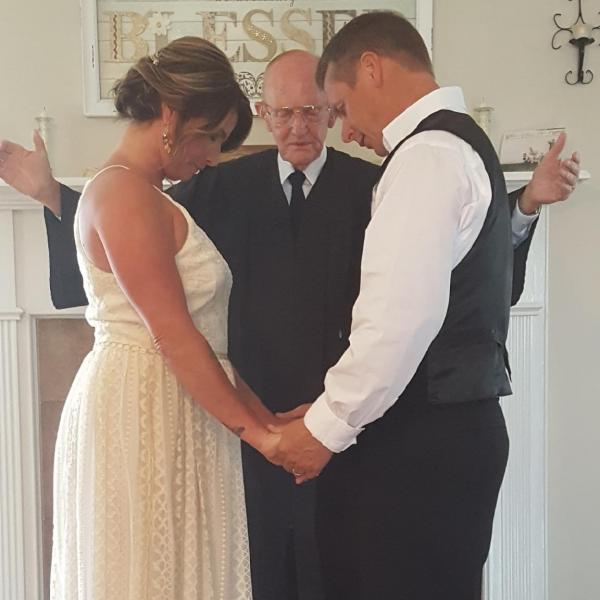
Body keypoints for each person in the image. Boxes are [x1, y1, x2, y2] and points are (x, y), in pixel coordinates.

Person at [0, 50, 580, 600]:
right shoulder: (210, 189)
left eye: (314, 110)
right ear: (266, 114)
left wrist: (524, 202)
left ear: (327, 112)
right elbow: (124, 262)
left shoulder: (379, 183)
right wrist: (51, 194)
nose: (298, 126)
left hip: (341, 426)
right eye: (282, 113)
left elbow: (453, 263)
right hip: (238, 412)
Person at [270, 12, 580, 600]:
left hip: (421, 446)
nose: (345, 131)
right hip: (448, 432)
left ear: (372, 68)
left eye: (340, 108)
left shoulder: (427, 157)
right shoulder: (456, 144)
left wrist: (327, 428)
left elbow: (397, 322)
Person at [30, 36, 282, 600]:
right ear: (171, 113)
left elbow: (206, 342)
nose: (212, 156)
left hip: (170, 403)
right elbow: (175, 336)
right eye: (210, 135)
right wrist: (260, 438)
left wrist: (268, 422)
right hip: (143, 408)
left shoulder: (142, 192)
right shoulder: (124, 193)